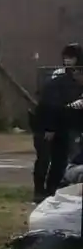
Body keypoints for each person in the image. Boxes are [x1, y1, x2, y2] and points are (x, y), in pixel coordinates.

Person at [31, 44, 83, 201]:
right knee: (44, 159)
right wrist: (49, 127)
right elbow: (49, 105)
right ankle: (40, 191)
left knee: (60, 161)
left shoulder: (75, 84)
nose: (68, 61)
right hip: (48, 125)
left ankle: (52, 190)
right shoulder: (57, 80)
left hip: (64, 127)